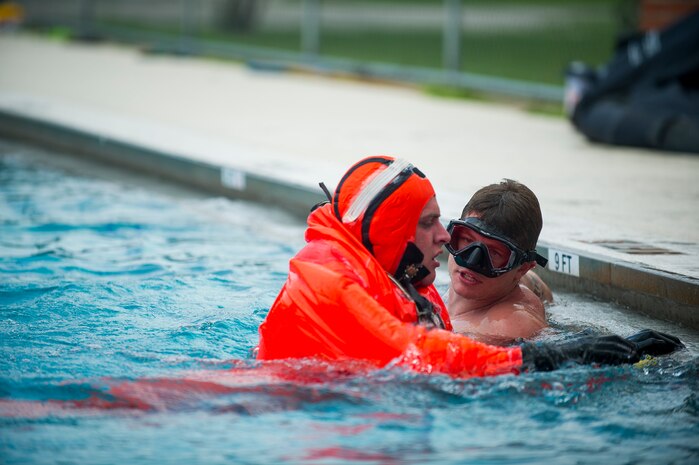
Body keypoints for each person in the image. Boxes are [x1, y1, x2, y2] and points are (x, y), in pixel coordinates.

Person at [256, 156, 683, 378]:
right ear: (391, 234)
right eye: (461, 241)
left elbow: (436, 351)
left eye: (493, 255)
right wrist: (557, 356)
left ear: (520, 268)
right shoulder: (336, 283)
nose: (449, 245)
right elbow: (423, 352)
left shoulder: (510, 318)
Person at [445, 179, 552, 344]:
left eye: (494, 253)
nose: (472, 261)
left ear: (522, 268)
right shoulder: (519, 280)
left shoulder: (505, 328)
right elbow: (532, 280)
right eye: (467, 240)